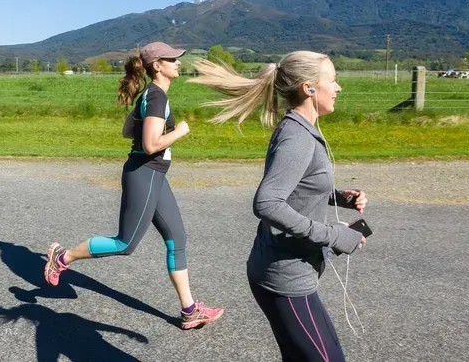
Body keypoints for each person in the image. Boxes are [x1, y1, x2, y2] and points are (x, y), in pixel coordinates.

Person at [189, 52, 368, 361]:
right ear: (309, 88)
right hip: (284, 278)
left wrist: (337, 196)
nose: (338, 87)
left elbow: (296, 186)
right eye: (333, 80)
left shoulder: (302, 129)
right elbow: (268, 202)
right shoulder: (297, 137)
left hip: (287, 271)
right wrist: (335, 235)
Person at [44, 42, 223, 330]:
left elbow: (128, 130)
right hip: (144, 173)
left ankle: (190, 311)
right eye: (172, 59)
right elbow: (151, 144)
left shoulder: (152, 95)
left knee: (177, 238)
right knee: (125, 243)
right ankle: (61, 257)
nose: (178, 62)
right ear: (157, 66)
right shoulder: (155, 97)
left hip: (154, 175)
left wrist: (148, 129)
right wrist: (179, 132)